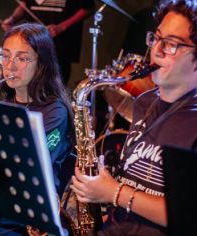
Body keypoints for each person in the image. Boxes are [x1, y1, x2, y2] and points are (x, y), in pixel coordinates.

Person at [71, 0, 197, 235]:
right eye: (156, 38)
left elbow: (189, 214)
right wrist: (101, 181)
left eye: (170, 44)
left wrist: (114, 192)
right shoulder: (144, 101)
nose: (156, 49)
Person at [0, 22, 75, 235]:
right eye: (6, 56)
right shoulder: (5, 104)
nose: (10, 66)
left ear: (42, 63)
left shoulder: (55, 112)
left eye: (22, 58)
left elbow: (23, 166)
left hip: (28, 217)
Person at [1, 0, 95, 86]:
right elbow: (24, 4)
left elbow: (88, 8)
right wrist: (12, 18)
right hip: (31, 43)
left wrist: (61, 27)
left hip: (60, 45)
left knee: (53, 89)